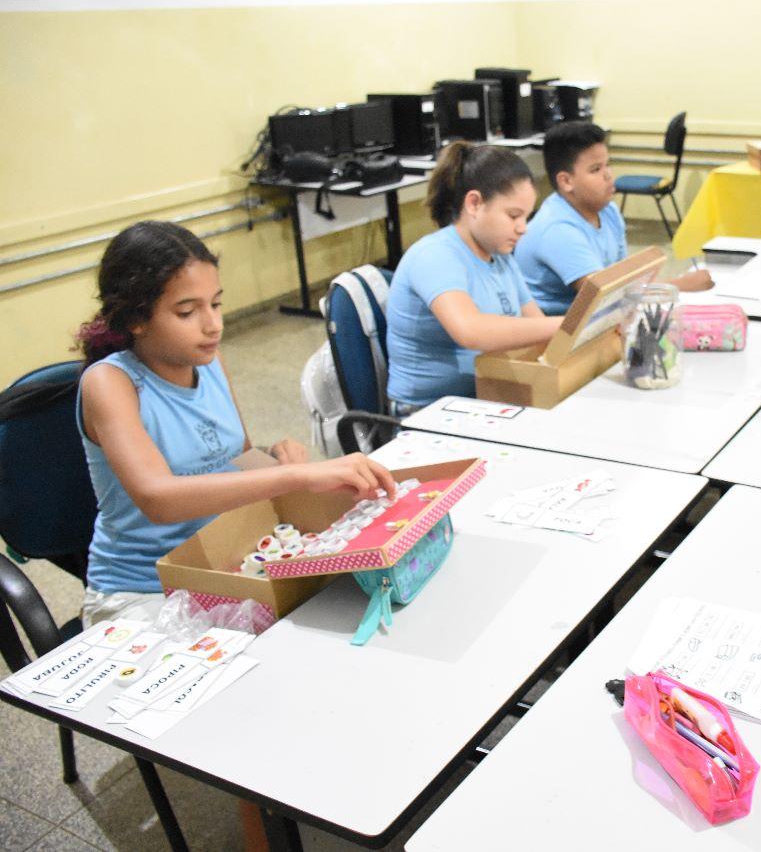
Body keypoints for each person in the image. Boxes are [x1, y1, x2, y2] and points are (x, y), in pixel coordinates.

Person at [77, 221, 396, 626]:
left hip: (220, 564)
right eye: (187, 312)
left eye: (216, 304)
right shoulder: (110, 383)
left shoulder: (207, 361)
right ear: (136, 318)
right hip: (143, 590)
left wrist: (285, 465)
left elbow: (239, 455)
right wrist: (296, 478)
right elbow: (159, 498)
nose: (213, 324)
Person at [386, 142, 560, 414]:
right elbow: (471, 331)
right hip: (431, 410)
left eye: (526, 217)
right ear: (475, 203)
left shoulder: (500, 256)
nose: (523, 228)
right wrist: (564, 325)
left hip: (486, 396)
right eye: (513, 215)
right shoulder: (435, 255)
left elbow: (536, 326)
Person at [514, 120, 711, 315]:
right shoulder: (556, 229)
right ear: (566, 181)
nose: (608, 175)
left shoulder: (607, 210)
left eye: (608, 164)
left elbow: (622, 278)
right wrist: (679, 285)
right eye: (596, 169)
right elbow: (605, 295)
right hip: (556, 334)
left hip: (599, 320)